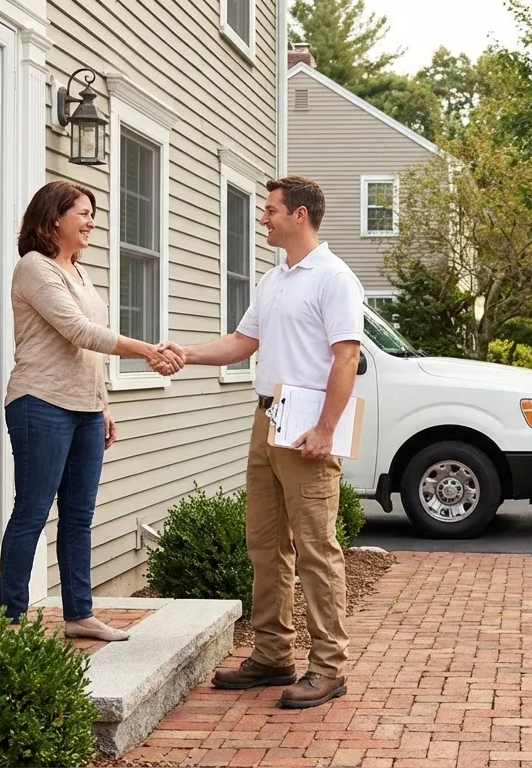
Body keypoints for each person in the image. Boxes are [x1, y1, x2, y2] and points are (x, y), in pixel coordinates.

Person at [157, 175, 363, 709]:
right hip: (267, 418)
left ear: (299, 215)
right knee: (266, 544)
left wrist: (324, 428)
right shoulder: (275, 278)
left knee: (317, 549)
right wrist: (186, 353)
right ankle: (273, 654)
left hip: (309, 427)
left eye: (270, 211)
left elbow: (346, 358)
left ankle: (329, 667)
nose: (263, 219)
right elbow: (243, 342)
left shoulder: (334, 278)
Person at [1, 180, 182, 642]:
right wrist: (147, 350)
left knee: (79, 516)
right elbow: (80, 331)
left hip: (84, 409)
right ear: (52, 218)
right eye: (82, 212)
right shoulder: (34, 268)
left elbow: (92, 351)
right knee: (32, 512)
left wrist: (103, 405)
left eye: (92, 213)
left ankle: (79, 614)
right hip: (39, 403)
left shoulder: (79, 272)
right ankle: (11, 621)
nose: (91, 221)